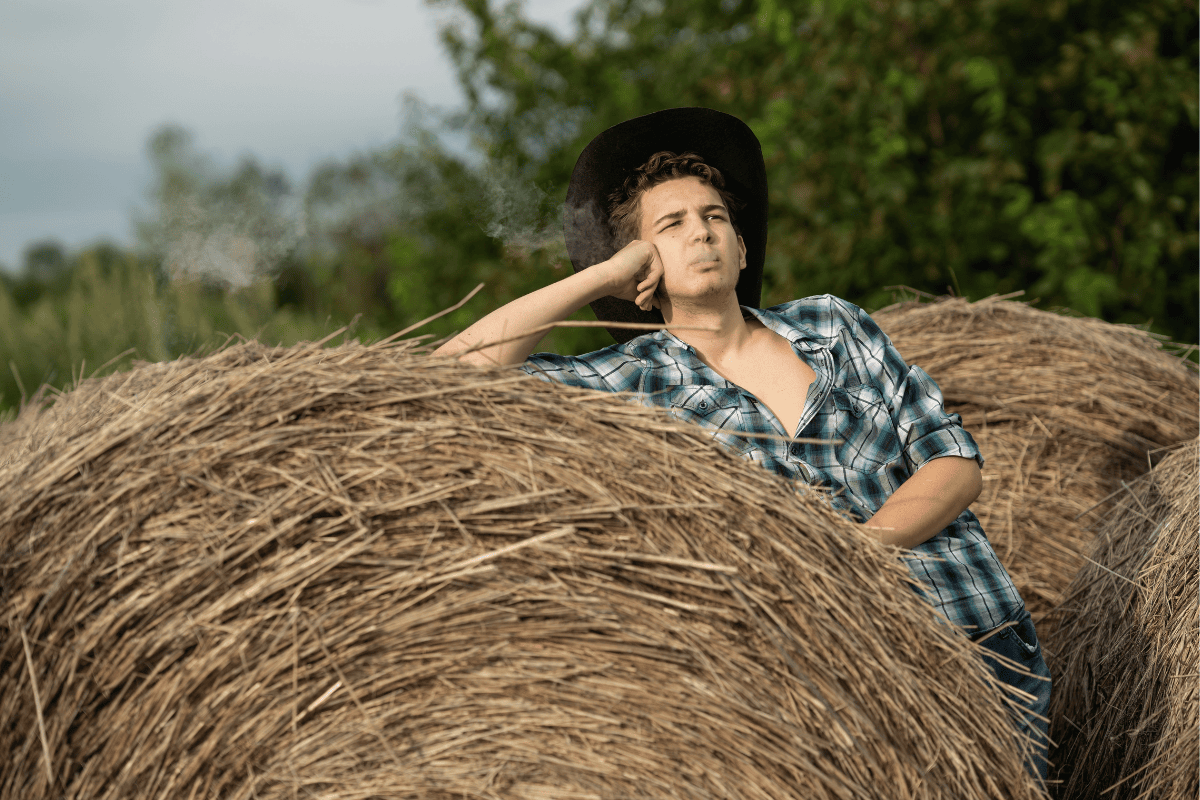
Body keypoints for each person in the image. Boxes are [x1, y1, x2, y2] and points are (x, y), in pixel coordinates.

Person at [433, 107, 1051, 781]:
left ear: (743, 247)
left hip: (981, 650)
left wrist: (855, 555)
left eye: (715, 217)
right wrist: (602, 280)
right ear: (640, 263)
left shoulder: (832, 323)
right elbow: (447, 377)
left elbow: (953, 461)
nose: (701, 231)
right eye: (670, 226)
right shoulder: (626, 390)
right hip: (831, 710)